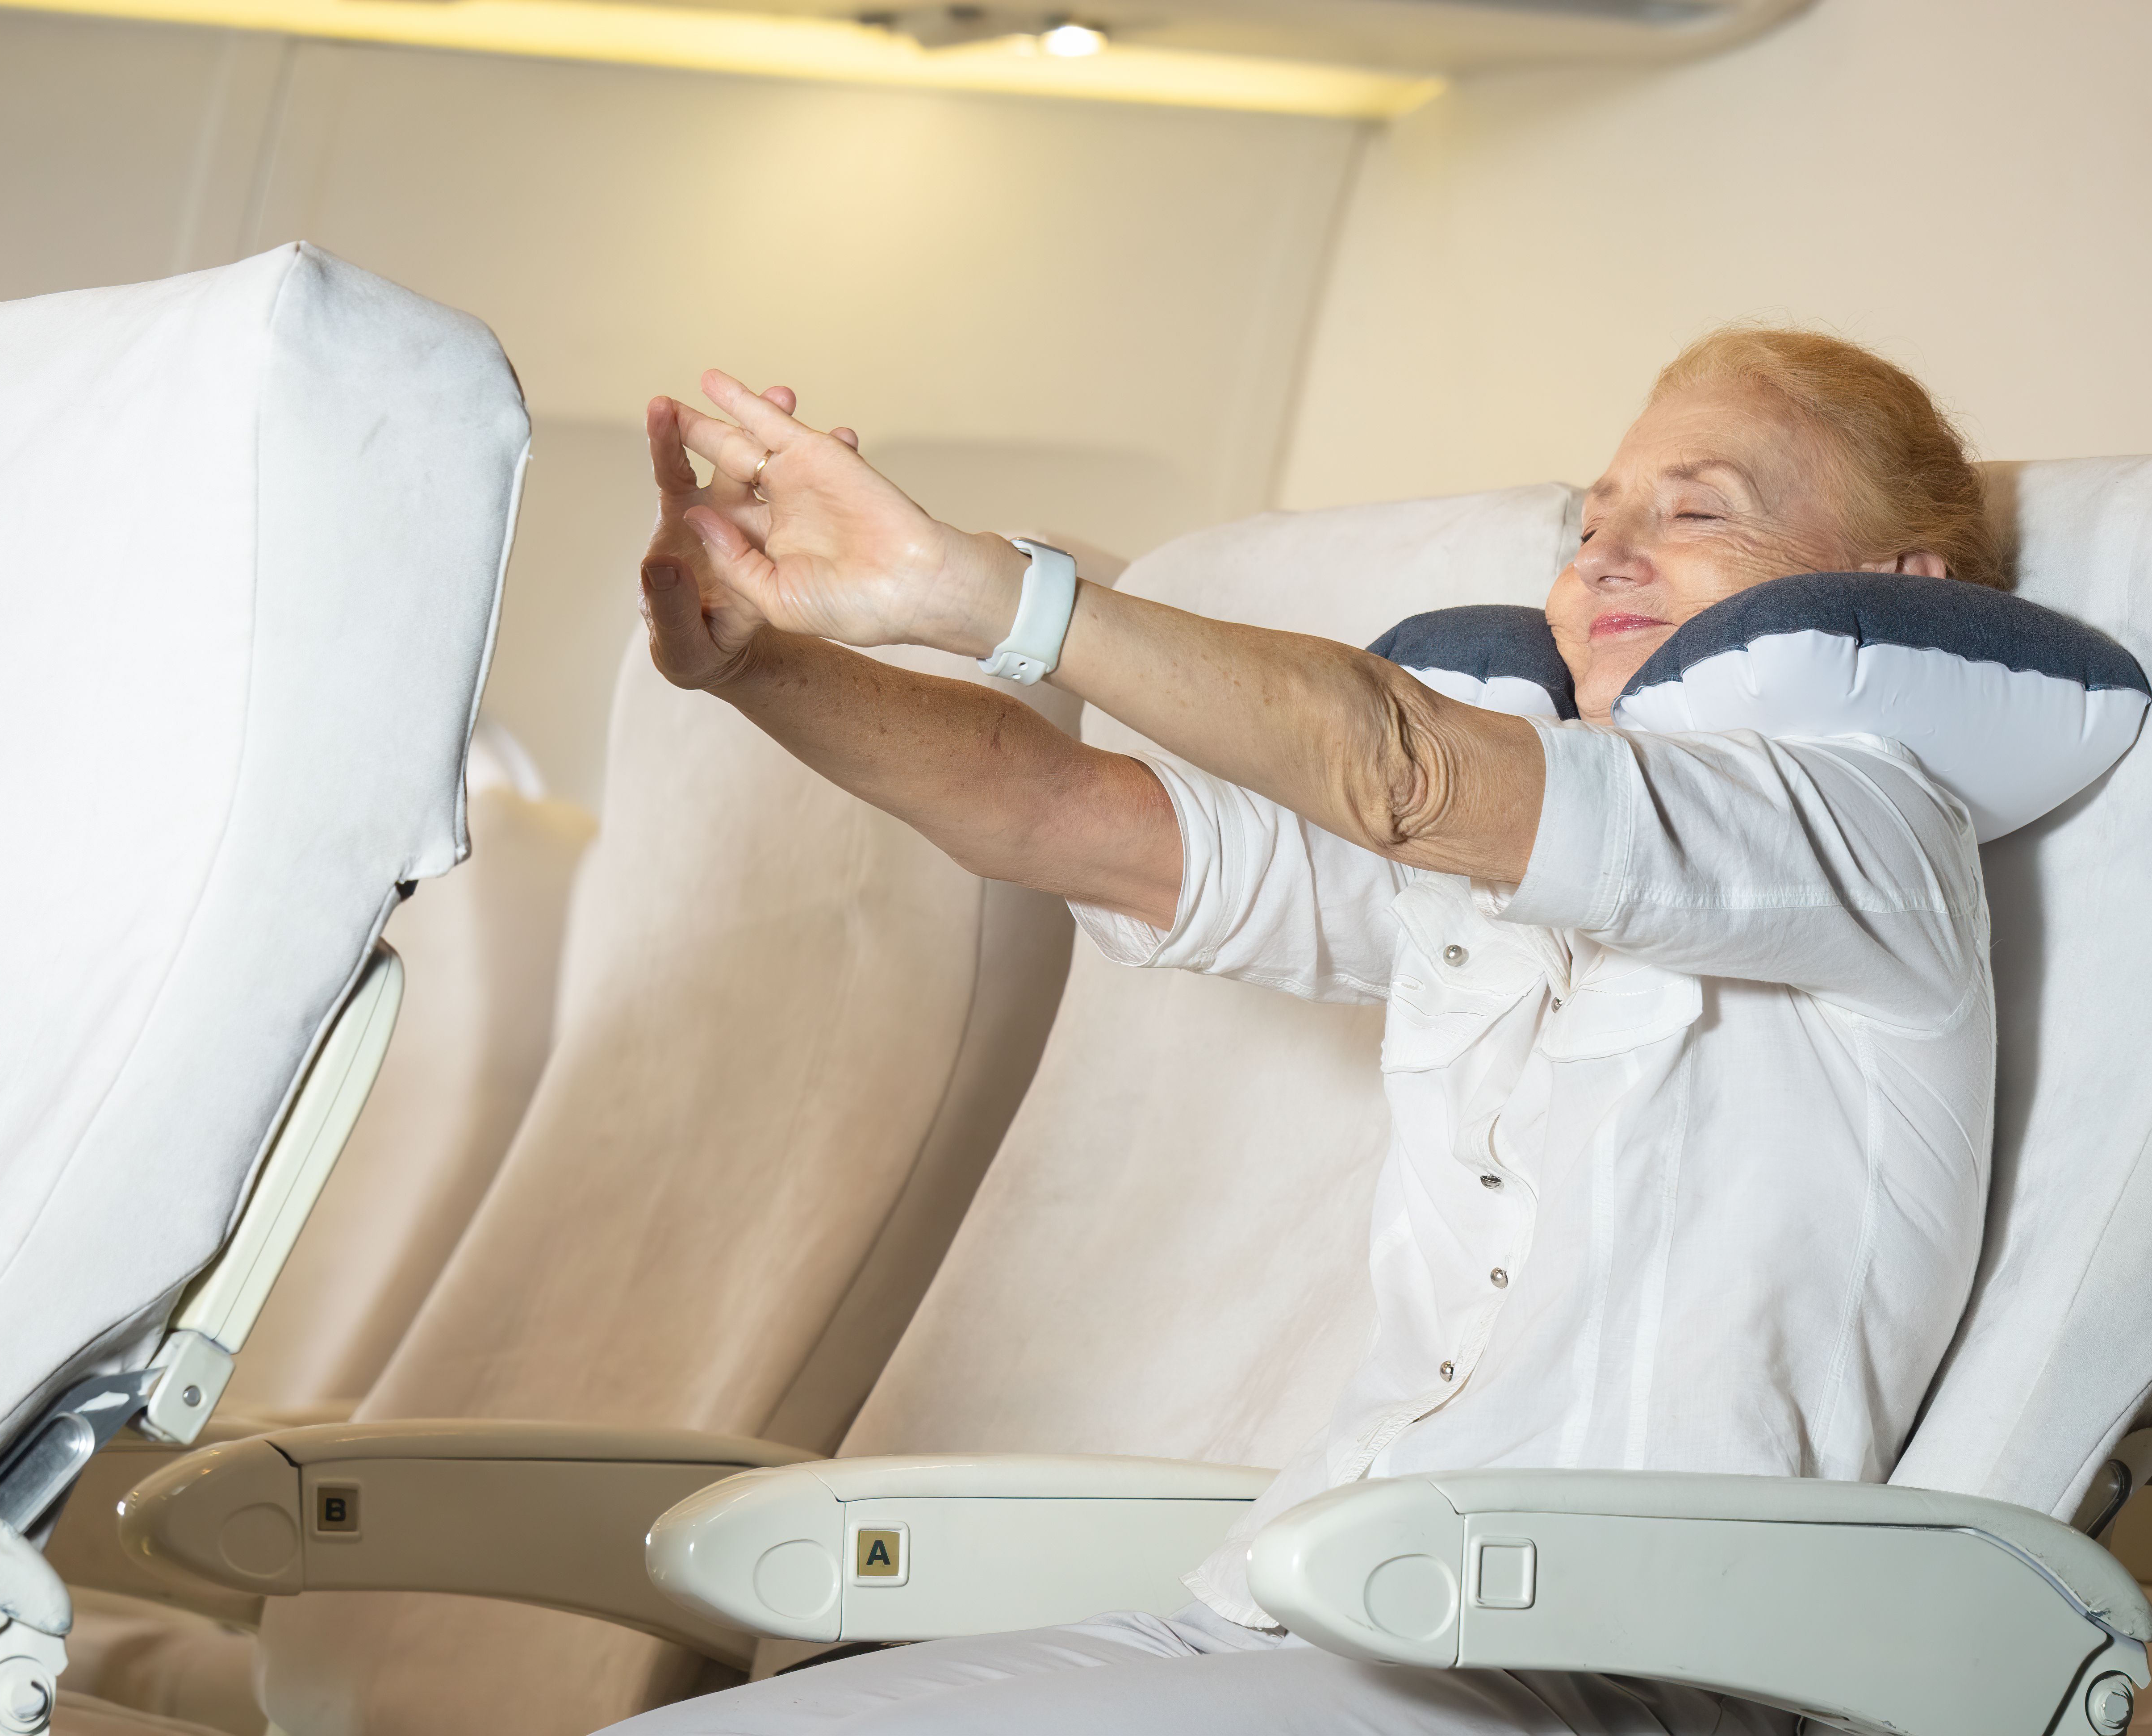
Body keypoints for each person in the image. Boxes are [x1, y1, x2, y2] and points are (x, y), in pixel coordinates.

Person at [607, 328, 1999, 1734]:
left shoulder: (1868, 835)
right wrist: (754, 662)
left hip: (1599, 1666)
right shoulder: (1513, 864)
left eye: (1699, 511)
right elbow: (1059, 814)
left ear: (1899, 592)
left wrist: (980, 592)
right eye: (1594, 523)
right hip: (1305, 1608)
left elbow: (1400, 766)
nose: (1608, 561)